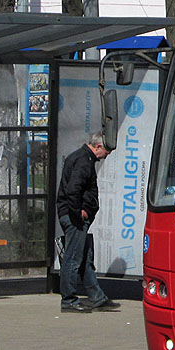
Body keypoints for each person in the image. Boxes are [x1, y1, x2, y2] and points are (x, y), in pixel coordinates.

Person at [56, 133, 120, 313]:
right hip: (74, 218)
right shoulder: (84, 161)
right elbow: (73, 190)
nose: (107, 155)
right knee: (73, 259)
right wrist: (79, 212)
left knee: (84, 257)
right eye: (106, 151)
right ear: (98, 147)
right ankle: (68, 300)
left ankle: (96, 297)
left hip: (74, 216)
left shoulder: (81, 158)